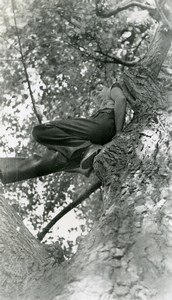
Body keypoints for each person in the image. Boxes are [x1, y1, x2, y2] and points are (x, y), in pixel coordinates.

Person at [0, 83, 126, 184]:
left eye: (99, 89)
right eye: (93, 94)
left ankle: (84, 152)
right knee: (56, 158)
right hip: (98, 137)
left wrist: (119, 132)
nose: (97, 93)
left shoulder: (112, 89)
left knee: (41, 130)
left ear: (106, 87)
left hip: (103, 124)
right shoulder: (97, 112)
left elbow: (121, 99)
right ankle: (7, 169)